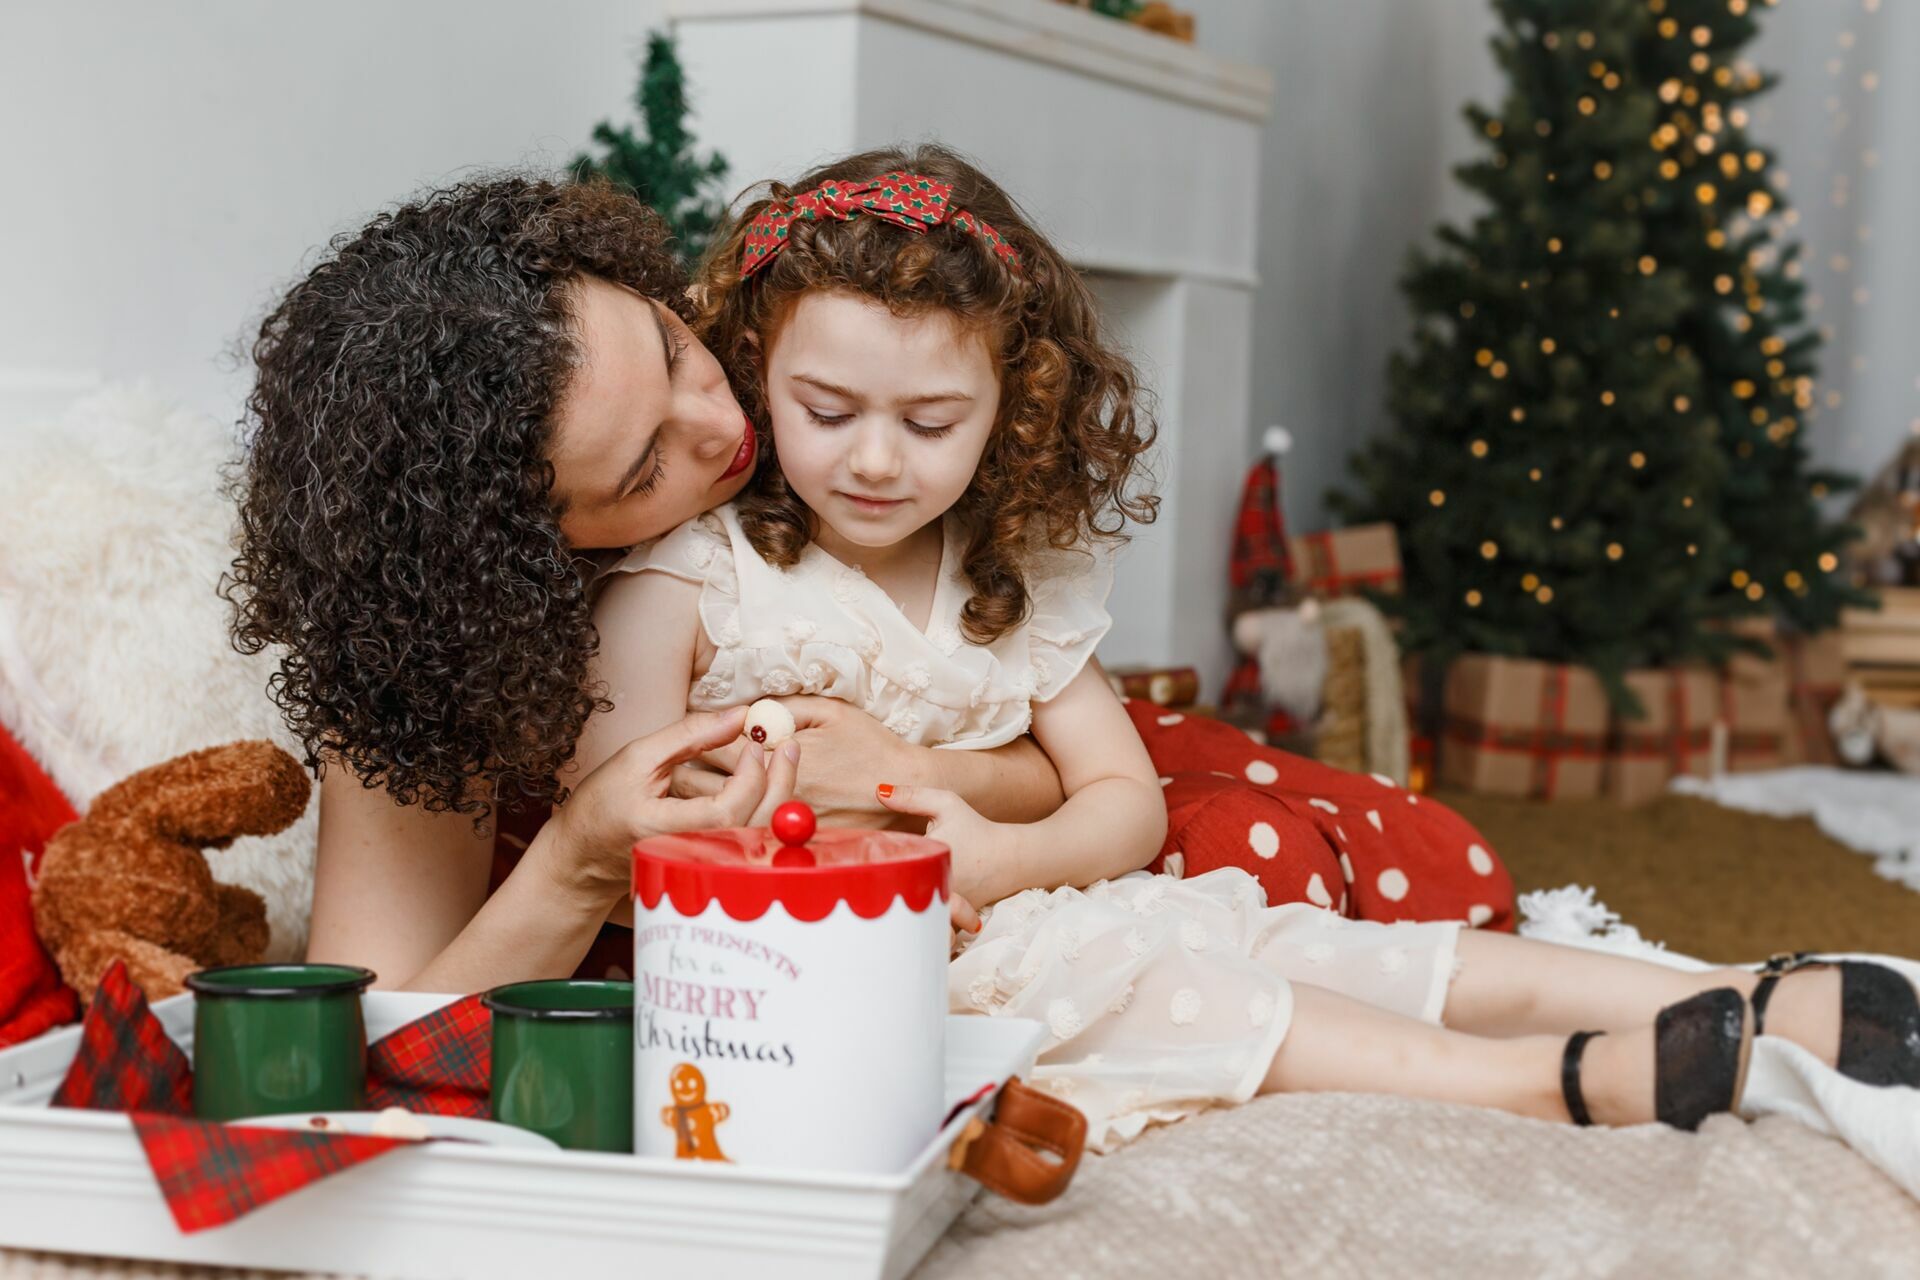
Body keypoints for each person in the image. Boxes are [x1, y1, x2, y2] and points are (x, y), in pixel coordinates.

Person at [576, 145, 1920, 1148]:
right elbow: (619, 835)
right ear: (757, 371)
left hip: (1042, 907)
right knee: (1178, 995)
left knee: (1300, 945)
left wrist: (1007, 856)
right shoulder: (697, 579)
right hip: (863, 974)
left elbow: (1124, 797)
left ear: (1011, 411)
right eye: (826, 409)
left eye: (931, 423)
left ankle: (1737, 990)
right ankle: (1556, 1083)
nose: (876, 459)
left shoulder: (1009, 579)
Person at [226, 177, 1070, 994]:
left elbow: (1050, 734)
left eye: (672, 350)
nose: (725, 423)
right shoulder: (431, 652)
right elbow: (385, 1028)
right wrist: (578, 861)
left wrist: (899, 776)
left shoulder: (815, 375)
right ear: (521, 554)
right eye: (644, 472)